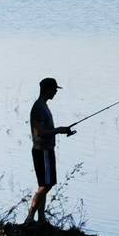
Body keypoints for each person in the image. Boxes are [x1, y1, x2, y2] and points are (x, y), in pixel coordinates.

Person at [26, 77, 75, 226]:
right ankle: (30, 218)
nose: (55, 92)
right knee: (46, 185)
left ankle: (41, 219)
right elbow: (39, 132)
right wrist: (59, 130)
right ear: (47, 89)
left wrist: (61, 130)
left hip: (46, 150)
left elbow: (45, 130)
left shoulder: (43, 106)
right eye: (54, 89)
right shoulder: (39, 107)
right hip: (42, 151)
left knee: (45, 184)